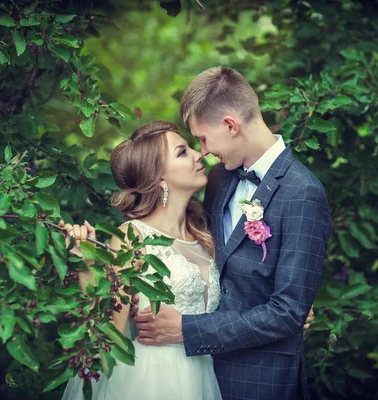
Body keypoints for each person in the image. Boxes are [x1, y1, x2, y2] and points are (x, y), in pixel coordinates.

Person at [132, 67, 332, 400]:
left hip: (260, 380)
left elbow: (287, 312)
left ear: (230, 124)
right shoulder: (218, 180)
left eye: (204, 138)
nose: (204, 150)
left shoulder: (303, 192)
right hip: (196, 375)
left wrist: (187, 329)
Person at [60, 120, 223, 400]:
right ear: (159, 177)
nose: (199, 154)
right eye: (183, 152)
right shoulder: (132, 238)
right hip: (151, 380)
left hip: (204, 377)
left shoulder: (204, 235)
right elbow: (107, 335)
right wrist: (84, 264)